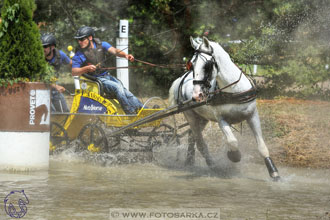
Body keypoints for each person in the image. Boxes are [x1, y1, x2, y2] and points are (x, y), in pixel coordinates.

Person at [71, 26, 143, 114]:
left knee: (126, 92)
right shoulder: (79, 55)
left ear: (90, 37)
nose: (80, 42)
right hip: (97, 80)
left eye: (82, 39)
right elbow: (74, 71)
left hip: (107, 76)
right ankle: (130, 113)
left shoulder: (102, 44)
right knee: (118, 88)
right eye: (78, 40)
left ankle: (143, 109)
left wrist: (125, 55)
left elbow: (115, 51)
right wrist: (86, 68)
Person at [41, 33, 71, 112]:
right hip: (42, 88)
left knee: (65, 113)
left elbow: (71, 65)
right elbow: (38, 79)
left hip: (55, 88)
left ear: (52, 47)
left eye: (45, 46)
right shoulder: (38, 58)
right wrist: (55, 86)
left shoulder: (60, 55)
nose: (43, 49)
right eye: (41, 46)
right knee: (50, 114)